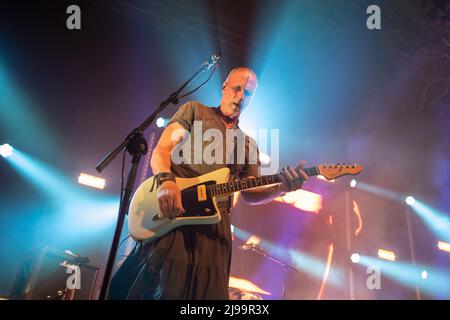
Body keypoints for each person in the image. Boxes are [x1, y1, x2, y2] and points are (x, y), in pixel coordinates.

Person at [108, 67, 308, 300]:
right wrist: (166, 181)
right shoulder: (194, 111)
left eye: (249, 94)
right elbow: (162, 150)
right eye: (237, 88)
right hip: (176, 218)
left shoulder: (248, 144)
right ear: (225, 86)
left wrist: (280, 188)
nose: (241, 97)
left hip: (215, 232)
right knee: (165, 292)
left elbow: (250, 192)